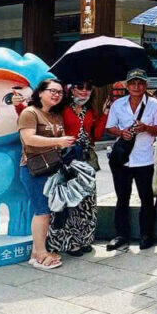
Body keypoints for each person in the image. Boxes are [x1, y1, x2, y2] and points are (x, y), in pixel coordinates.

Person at [105, 68, 157, 252]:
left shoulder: (155, 104)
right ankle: (121, 235)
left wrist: (146, 128)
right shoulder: (118, 104)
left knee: (146, 198)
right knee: (122, 198)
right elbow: (110, 127)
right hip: (122, 159)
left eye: (140, 83)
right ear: (126, 85)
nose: (136, 87)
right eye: (132, 83)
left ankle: (147, 235)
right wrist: (121, 132)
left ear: (146, 85)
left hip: (144, 159)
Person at [18, 79, 75, 269]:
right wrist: (58, 142)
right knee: (41, 211)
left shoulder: (56, 115)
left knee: (47, 211)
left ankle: (37, 252)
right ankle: (41, 255)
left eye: (60, 92)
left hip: (52, 168)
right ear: (40, 92)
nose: (56, 95)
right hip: (34, 169)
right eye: (52, 91)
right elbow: (28, 139)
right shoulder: (30, 112)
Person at [48, 81, 108, 256]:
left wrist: (104, 115)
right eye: (80, 87)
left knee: (87, 202)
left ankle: (85, 239)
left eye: (88, 88)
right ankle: (70, 242)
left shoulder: (90, 111)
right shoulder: (61, 109)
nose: (84, 91)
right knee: (69, 201)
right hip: (67, 160)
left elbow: (96, 136)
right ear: (71, 89)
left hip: (86, 161)